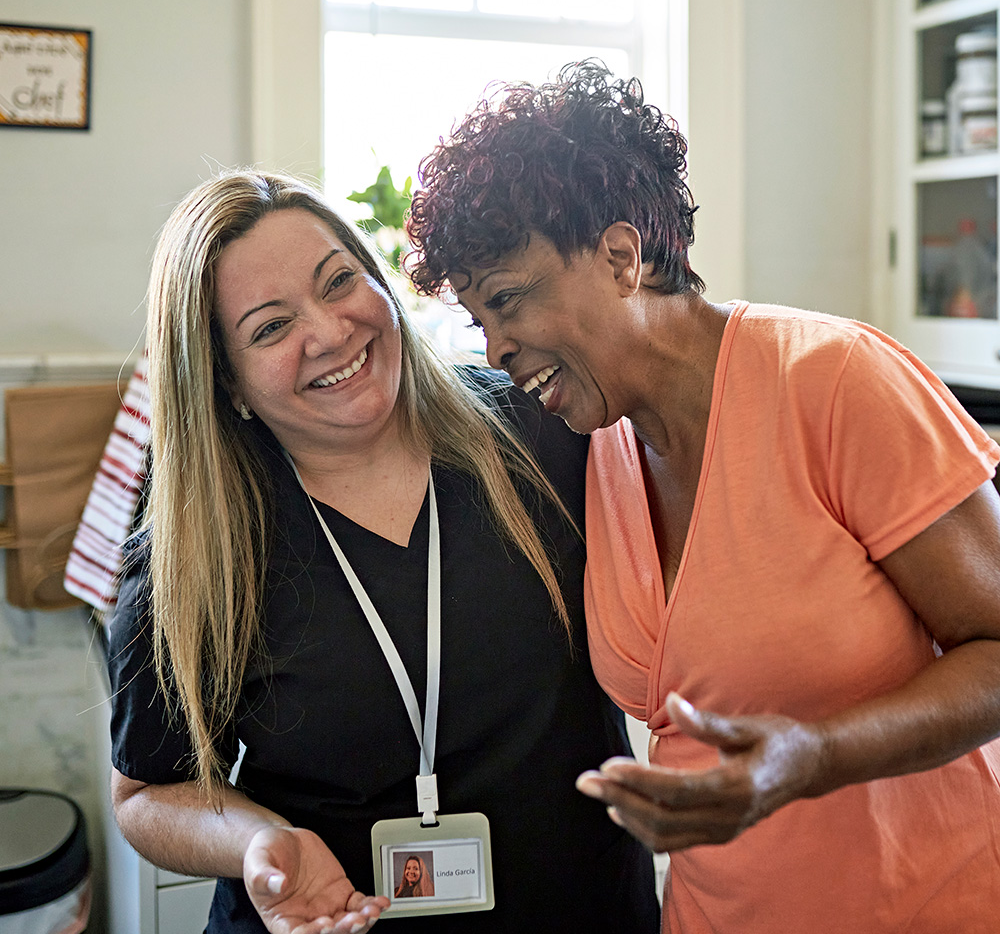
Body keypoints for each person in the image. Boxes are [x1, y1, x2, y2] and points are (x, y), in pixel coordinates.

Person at [403, 60, 1000, 933]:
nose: (496, 349)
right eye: (478, 321)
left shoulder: (833, 381)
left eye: (507, 302)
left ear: (620, 256)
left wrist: (814, 756)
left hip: (927, 905)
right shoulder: (590, 442)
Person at [106, 169, 660, 934]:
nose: (331, 333)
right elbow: (144, 795)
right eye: (270, 328)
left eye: (340, 282)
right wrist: (258, 841)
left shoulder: (541, 430)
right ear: (225, 382)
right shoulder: (196, 542)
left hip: (583, 909)